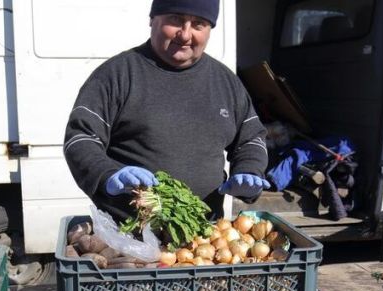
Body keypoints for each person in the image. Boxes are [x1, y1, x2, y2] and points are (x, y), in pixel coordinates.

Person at [63, 0, 270, 223]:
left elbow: (250, 138)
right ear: (153, 19)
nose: (185, 34)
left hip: (205, 239)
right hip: (129, 238)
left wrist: (249, 170)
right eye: (176, 20)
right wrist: (106, 174)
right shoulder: (117, 75)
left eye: (198, 24)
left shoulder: (225, 82)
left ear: (210, 30)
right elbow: (81, 138)